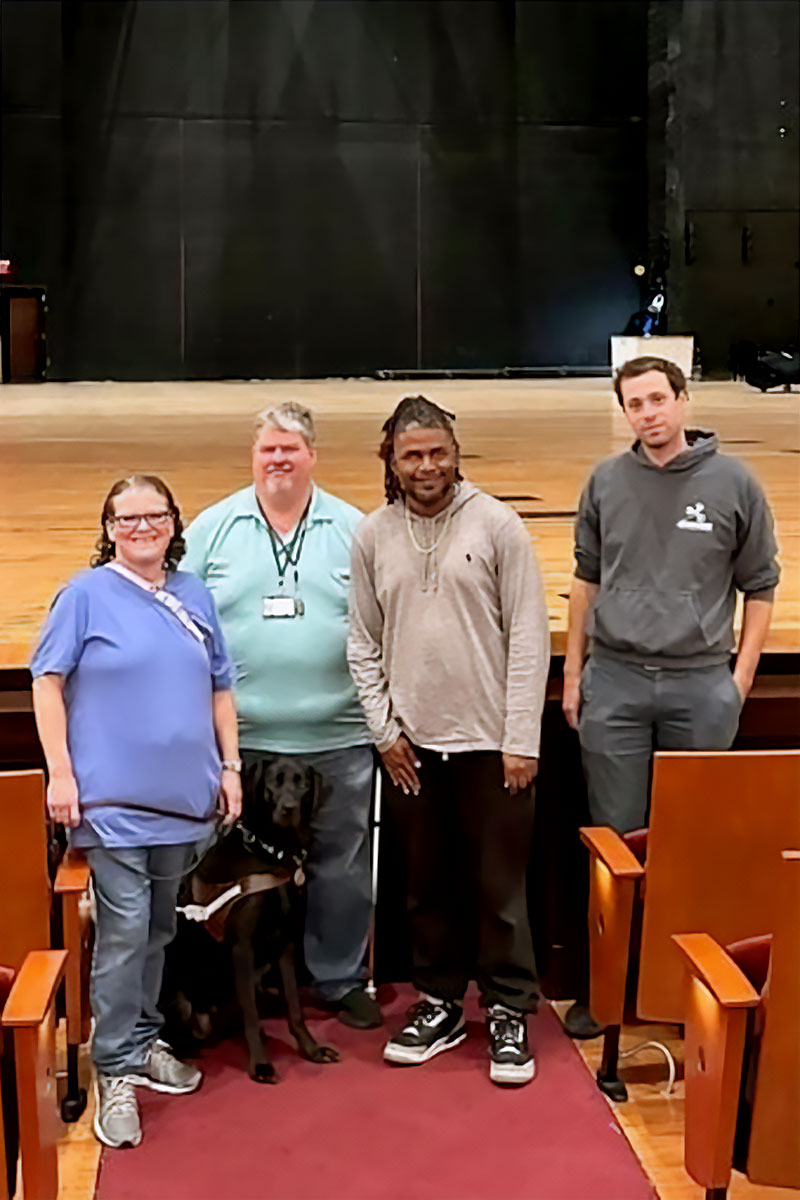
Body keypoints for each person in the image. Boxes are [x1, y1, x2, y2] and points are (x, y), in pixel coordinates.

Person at [561, 356, 780, 1038]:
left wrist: (738, 682)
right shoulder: (606, 482)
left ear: (683, 401)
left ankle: (690, 995)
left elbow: (762, 588)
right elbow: (584, 584)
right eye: (635, 403)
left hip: (699, 684)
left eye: (659, 399)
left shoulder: (733, 483)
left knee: (696, 849)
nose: (649, 413)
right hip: (618, 683)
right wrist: (573, 675)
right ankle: (610, 997)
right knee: (618, 848)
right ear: (623, 412)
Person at [31, 475, 242, 1148]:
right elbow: (47, 682)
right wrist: (61, 772)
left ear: (175, 523)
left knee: (156, 928)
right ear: (110, 527)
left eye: (156, 515)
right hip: (114, 804)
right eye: (128, 518)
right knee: (124, 930)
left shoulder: (194, 595)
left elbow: (220, 688)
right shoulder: (84, 596)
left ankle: (143, 1038)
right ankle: (116, 1066)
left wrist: (230, 768)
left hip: (183, 802)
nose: (143, 526)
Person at [347, 395, 550, 1086]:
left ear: (455, 453)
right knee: (425, 888)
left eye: (437, 452)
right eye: (413, 454)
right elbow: (361, 641)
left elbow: (529, 638)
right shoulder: (373, 534)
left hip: (493, 748)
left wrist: (521, 737)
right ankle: (438, 1003)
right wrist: (384, 731)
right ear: (393, 462)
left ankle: (508, 1009)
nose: (427, 465)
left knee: (498, 889)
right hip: (412, 751)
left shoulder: (498, 525)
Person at [182, 402, 380, 1029]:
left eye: (290, 449)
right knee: (235, 870)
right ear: (253, 456)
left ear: (312, 457)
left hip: (337, 733)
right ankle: (240, 979)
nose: (278, 460)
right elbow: (179, 619)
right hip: (244, 741)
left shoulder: (355, 529)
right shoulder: (213, 528)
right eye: (268, 449)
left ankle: (339, 977)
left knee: (343, 865)